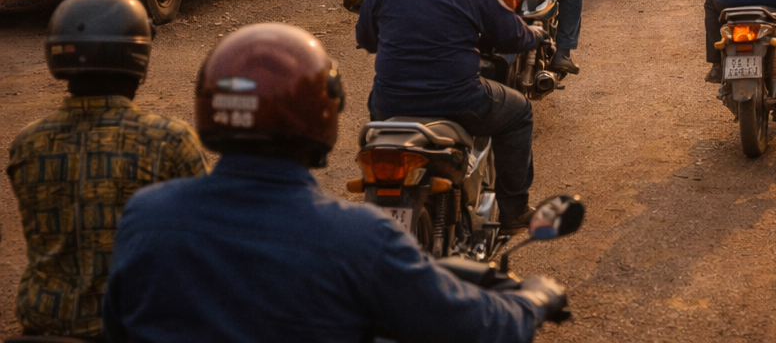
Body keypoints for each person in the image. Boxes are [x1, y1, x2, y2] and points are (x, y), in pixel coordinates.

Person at [104, 23, 565, 343]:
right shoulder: (358, 239)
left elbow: (118, 326)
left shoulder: (147, 216)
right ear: (322, 117)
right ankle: (513, 204)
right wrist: (533, 299)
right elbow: (475, 327)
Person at [7, 0, 206, 341]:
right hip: (133, 326)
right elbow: (202, 247)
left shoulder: (28, 144)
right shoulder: (170, 142)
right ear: (138, 57)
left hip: (42, 328)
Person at [358, 0, 544, 219]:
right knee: (519, 112)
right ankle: (514, 211)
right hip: (458, 100)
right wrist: (536, 35)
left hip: (389, 105)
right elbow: (511, 36)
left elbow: (366, 39)